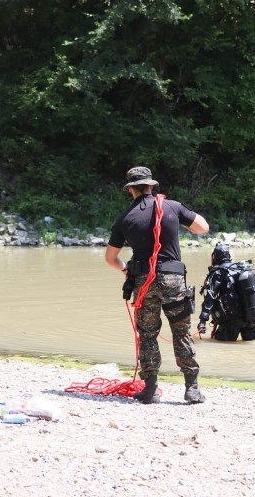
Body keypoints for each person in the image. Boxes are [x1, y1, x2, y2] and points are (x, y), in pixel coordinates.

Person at [105, 166, 209, 404]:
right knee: (181, 333)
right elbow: (203, 227)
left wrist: (125, 270)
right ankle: (191, 389)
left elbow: (111, 258)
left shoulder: (124, 218)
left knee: (148, 335)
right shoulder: (171, 207)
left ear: (130, 189)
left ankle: (150, 390)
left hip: (143, 282)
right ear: (151, 186)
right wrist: (178, 219)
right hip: (173, 280)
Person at [197, 244, 255, 341]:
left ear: (214, 256)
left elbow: (210, 296)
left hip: (232, 321)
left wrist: (202, 321)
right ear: (228, 256)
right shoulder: (241, 269)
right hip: (251, 319)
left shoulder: (218, 272)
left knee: (221, 346)